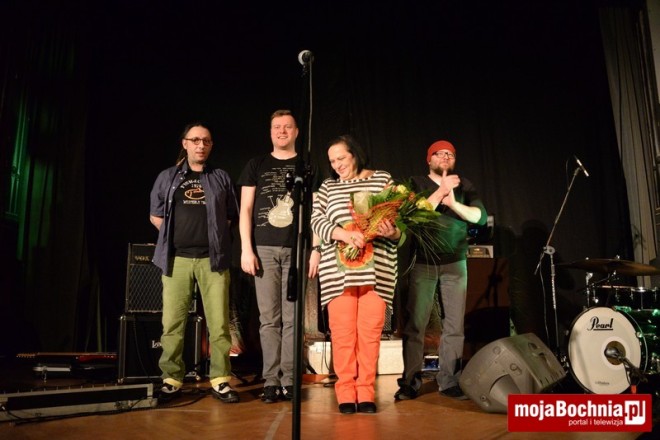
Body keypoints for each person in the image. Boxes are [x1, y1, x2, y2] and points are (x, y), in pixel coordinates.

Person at [150, 121, 240, 404]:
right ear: (185, 144)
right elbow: (156, 216)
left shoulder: (220, 177)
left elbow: (230, 217)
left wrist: (212, 238)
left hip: (212, 261)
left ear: (211, 146)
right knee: (172, 324)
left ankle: (220, 380)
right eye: (196, 140)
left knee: (219, 324)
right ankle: (172, 380)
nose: (201, 145)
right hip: (176, 260)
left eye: (206, 141)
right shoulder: (167, 177)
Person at [311, 135, 401, 414]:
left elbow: (399, 223)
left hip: (378, 269)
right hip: (338, 272)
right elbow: (316, 219)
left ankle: (366, 392)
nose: (337, 165)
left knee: (370, 334)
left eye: (341, 158)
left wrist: (392, 232)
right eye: (332, 161)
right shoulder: (328, 187)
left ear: (355, 154)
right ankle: (346, 393)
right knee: (343, 334)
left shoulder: (382, 179)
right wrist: (343, 234)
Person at [237, 109, 320, 403]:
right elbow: (245, 210)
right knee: (269, 320)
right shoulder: (256, 165)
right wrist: (246, 248)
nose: (282, 131)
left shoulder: (307, 166)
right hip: (264, 250)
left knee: (293, 319)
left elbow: (317, 211)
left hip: (297, 250)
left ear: (296, 131)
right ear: (270, 132)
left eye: (287, 127)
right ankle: (271, 381)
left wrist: (316, 249)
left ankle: (290, 380)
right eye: (276, 127)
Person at [394, 140, 487, 401]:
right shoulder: (415, 183)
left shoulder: (464, 184)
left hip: (455, 263)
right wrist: (441, 192)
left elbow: (479, 217)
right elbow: (410, 216)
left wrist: (454, 203)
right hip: (422, 262)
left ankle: (449, 381)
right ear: (429, 159)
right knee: (416, 325)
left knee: (454, 325)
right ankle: (410, 382)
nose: (445, 157)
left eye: (450, 154)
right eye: (439, 153)